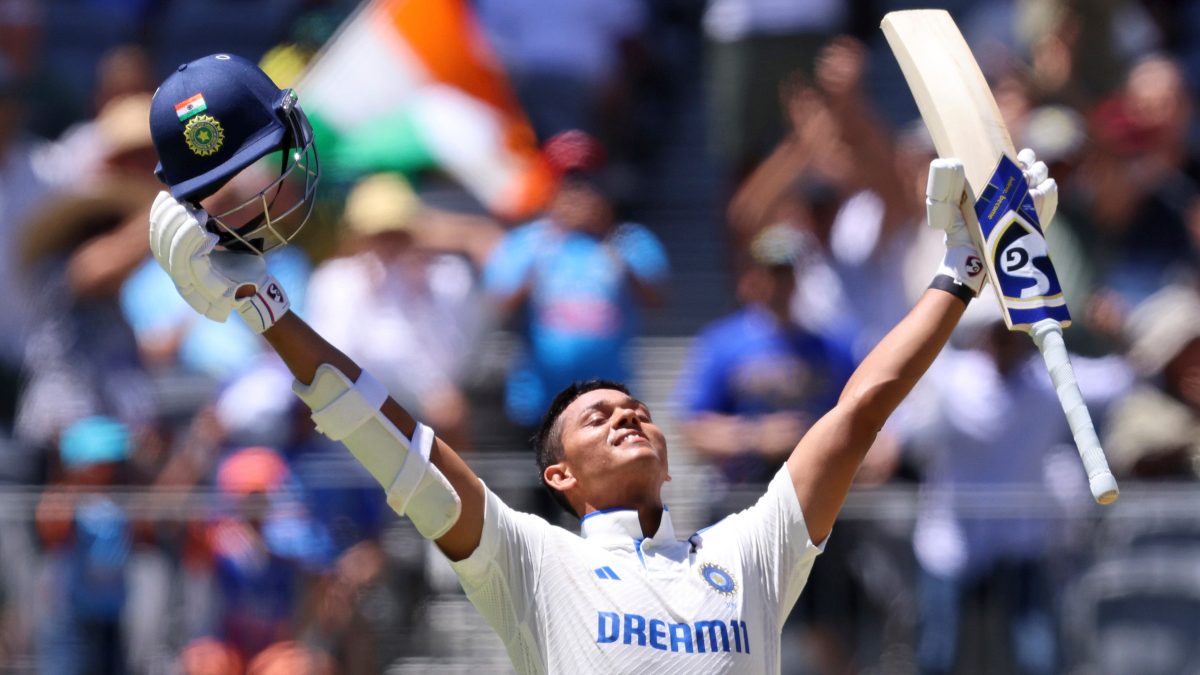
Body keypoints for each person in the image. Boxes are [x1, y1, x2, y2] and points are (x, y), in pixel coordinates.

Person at [143, 54, 1058, 673]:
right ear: (557, 475)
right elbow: (400, 444)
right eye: (598, 416)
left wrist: (966, 268)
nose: (631, 415)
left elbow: (857, 410)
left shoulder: (749, 552)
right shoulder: (531, 561)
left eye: (636, 410)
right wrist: (270, 314)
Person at [484, 129, 669, 427]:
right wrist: (545, 252)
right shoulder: (526, 242)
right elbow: (500, 305)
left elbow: (657, 300)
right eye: (568, 183)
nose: (578, 193)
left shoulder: (628, 240)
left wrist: (609, 242)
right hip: (539, 399)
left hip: (610, 396)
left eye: (587, 182)